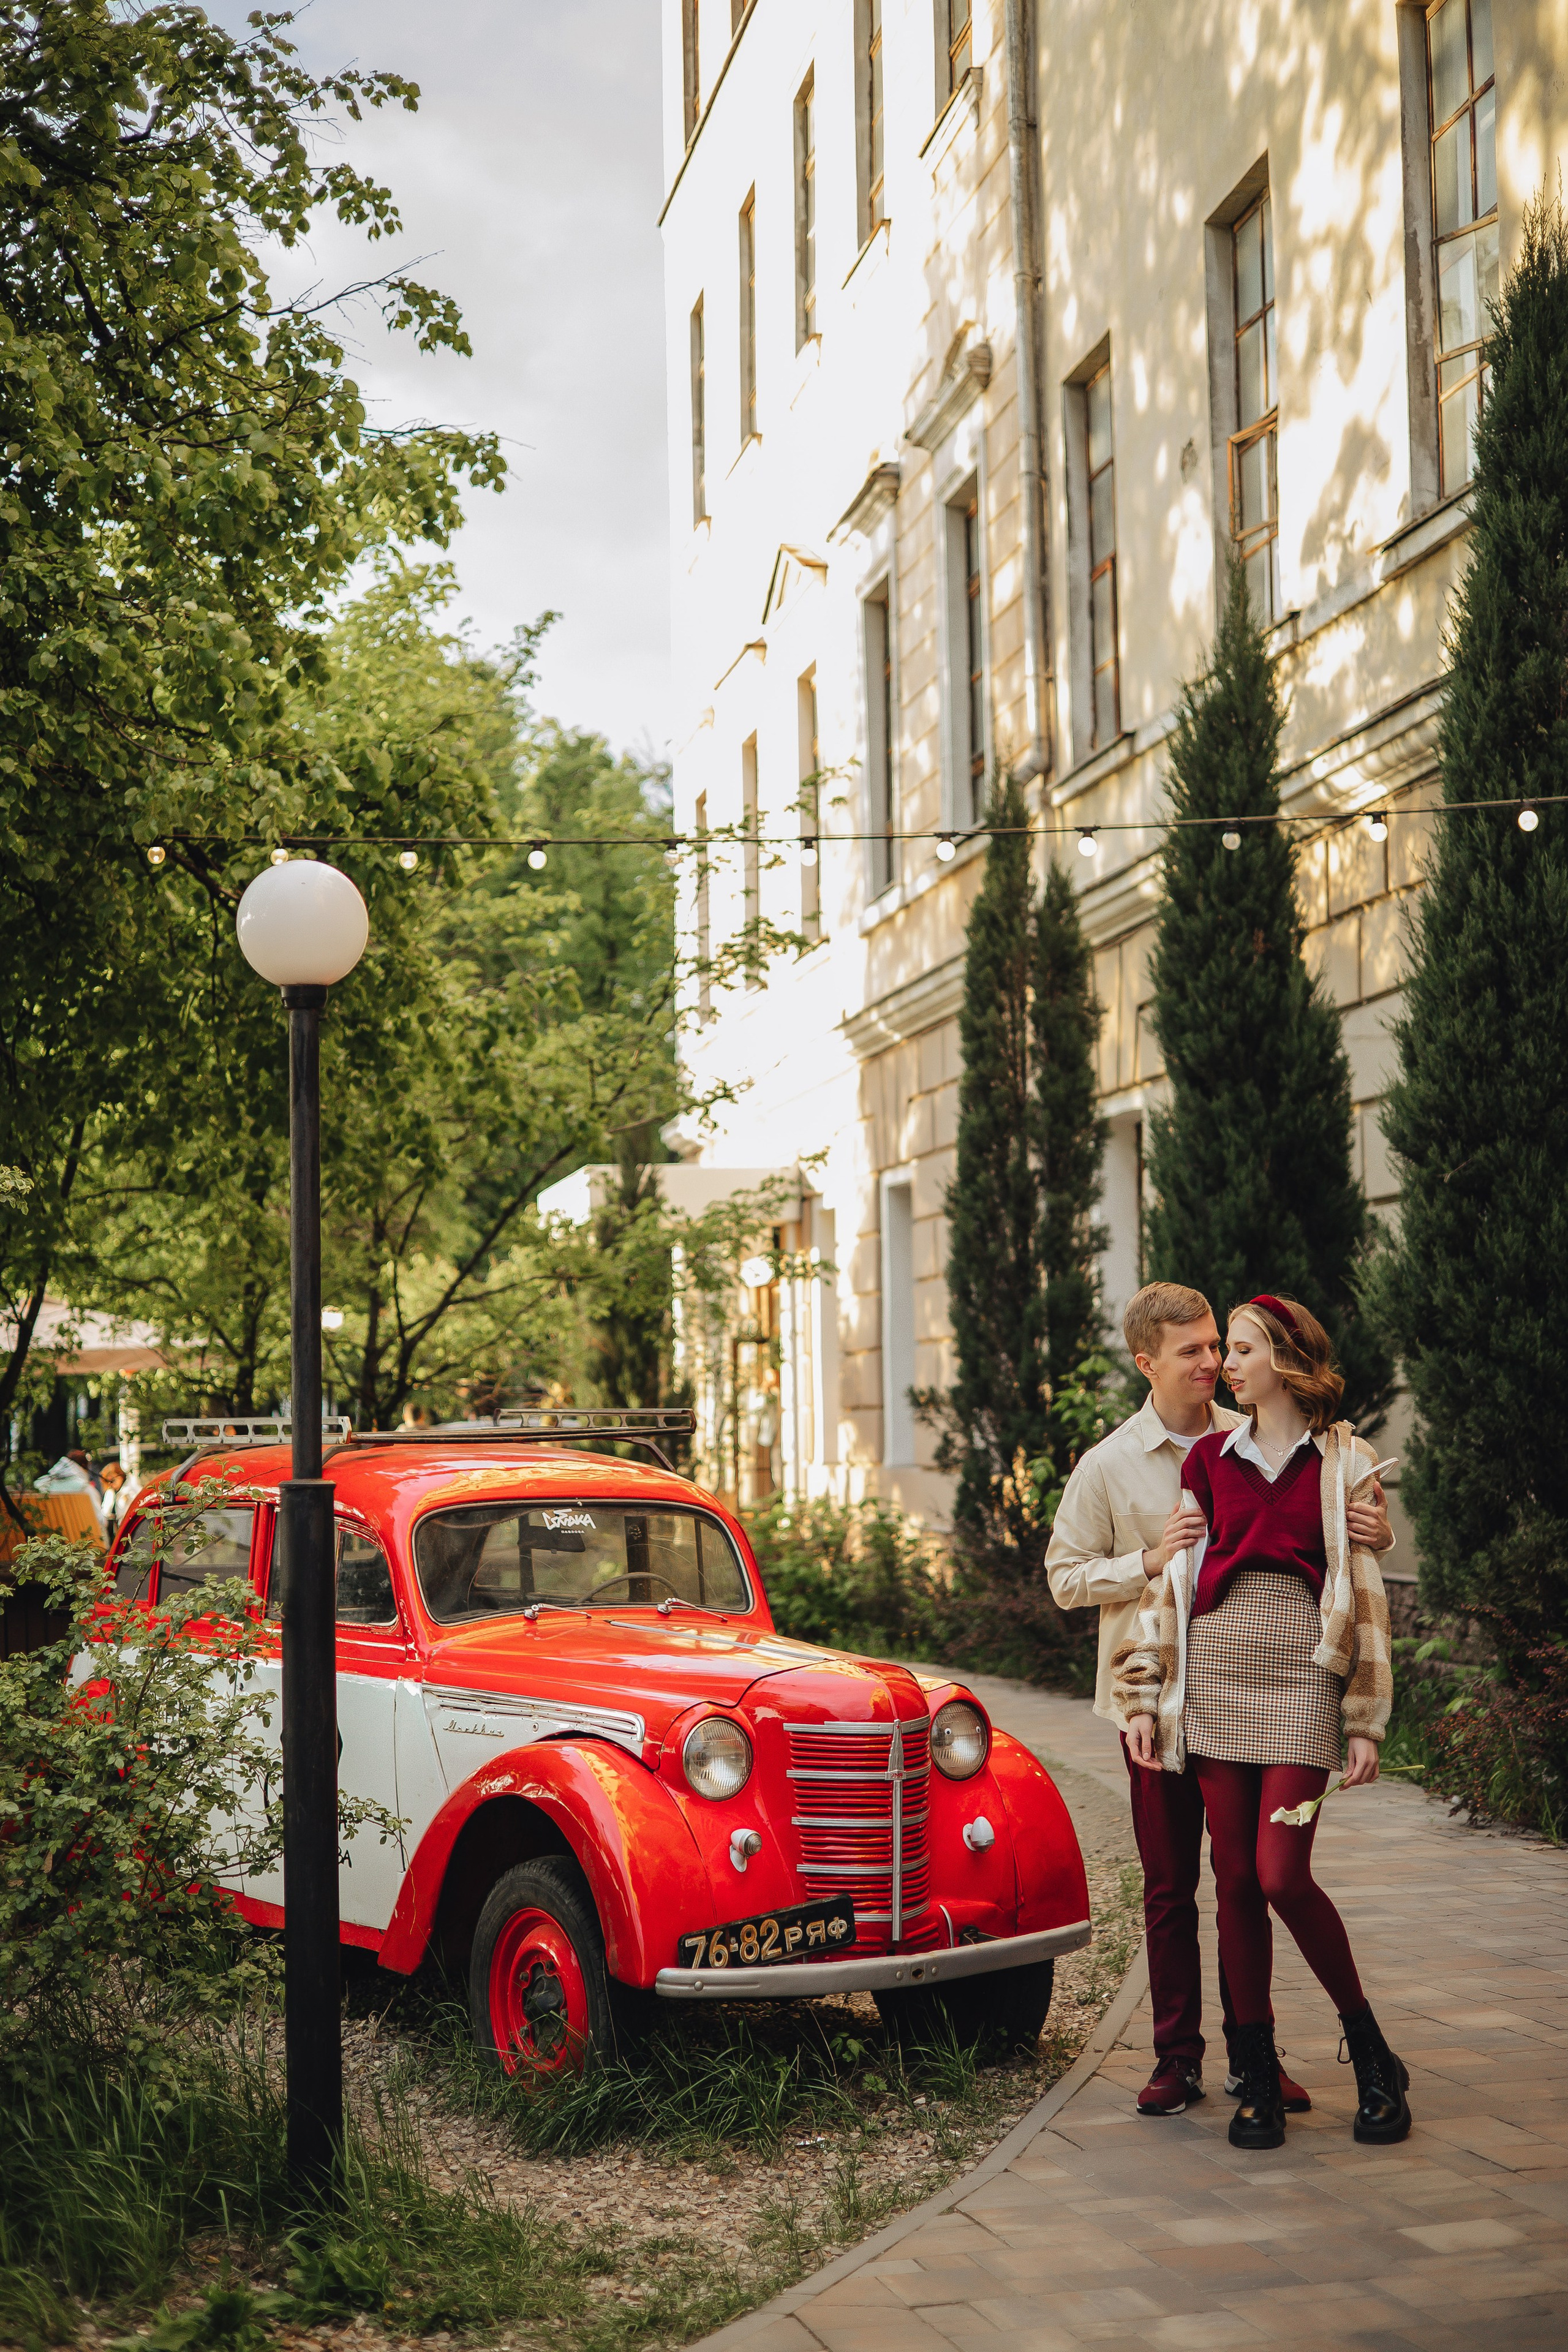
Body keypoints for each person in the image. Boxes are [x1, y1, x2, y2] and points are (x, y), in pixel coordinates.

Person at [1046, 1281, 1391, 2118]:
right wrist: (1148, 1561)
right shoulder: (1110, 1463)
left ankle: (1255, 2060)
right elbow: (1064, 1577)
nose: (1211, 1362)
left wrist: (1376, 1531)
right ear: (1147, 1363)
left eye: (1218, 1345)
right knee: (1171, 1887)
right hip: (1158, 1702)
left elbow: (1344, 1546)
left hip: (1269, 1690)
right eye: (1194, 1351)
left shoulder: (1255, 1435)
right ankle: (1178, 2057)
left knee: (1248, 1878)